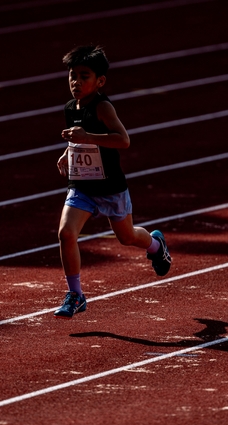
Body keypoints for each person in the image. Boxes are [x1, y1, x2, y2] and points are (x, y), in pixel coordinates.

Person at [54, 45, 171, 319]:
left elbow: (123, 140)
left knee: (126, 237)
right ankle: (76, 295)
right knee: (66, 234)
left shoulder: (103, 107)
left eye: (84, 76)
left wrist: (87, 137)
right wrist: (68, 153)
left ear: (100, 81)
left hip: (110, 187)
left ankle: (156, 245)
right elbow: (78, 140)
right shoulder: (70, 108)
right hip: (82, 185)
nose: (76, 82)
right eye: (72, 76)